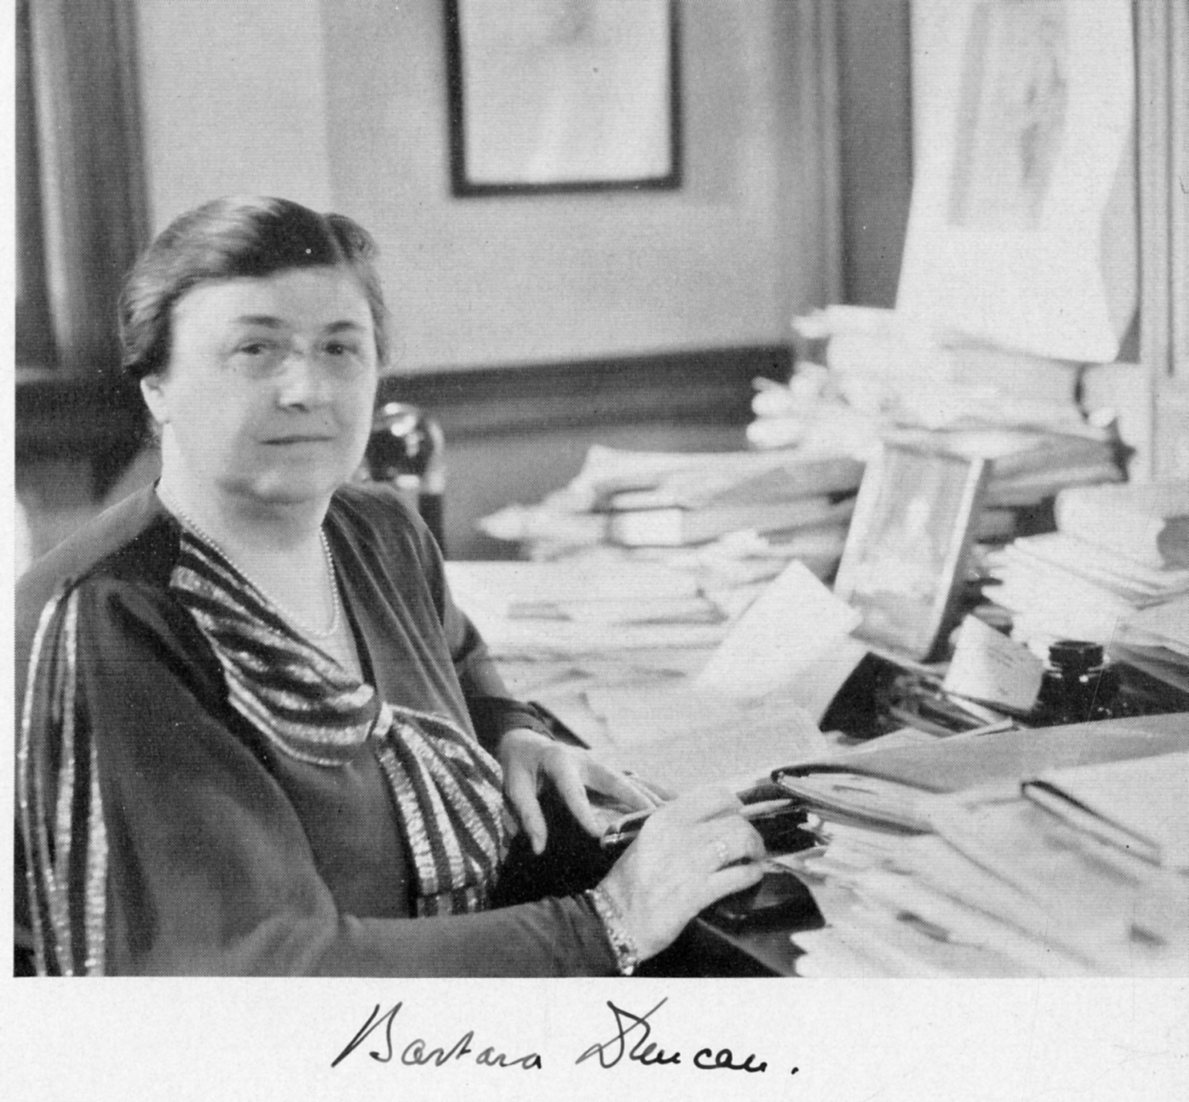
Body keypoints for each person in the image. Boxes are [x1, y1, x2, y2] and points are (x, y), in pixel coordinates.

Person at [14, 196, 765, 977]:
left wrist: (510, 728)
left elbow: (458, 657)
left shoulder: (380, 531)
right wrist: (611, 920)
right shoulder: (105, 619)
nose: (307, 388)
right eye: (254, 350)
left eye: (341, 348)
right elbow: (261, 971)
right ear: (156, 385)